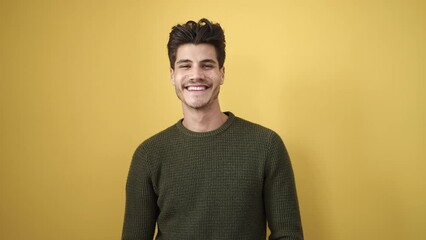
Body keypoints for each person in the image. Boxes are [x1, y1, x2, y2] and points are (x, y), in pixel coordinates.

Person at [122, 18, 303, 240]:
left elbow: (288, 235)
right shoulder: (149, 155)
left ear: (222, 73)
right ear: (172, 75)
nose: (196, 75)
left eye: (207, 65)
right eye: (185, 65)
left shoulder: (266, 146)